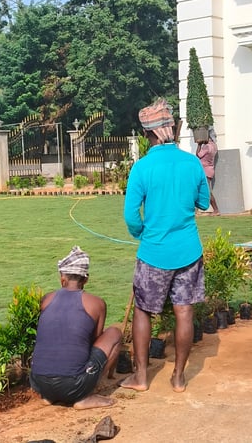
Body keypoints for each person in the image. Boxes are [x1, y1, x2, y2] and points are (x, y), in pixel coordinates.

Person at [121, 98, 210, 393]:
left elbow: (131, 215)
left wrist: (141, 233)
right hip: (188, 251)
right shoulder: (191, 163)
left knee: (143, 312)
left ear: (148, 135)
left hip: (153, 253)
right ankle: (179, 377)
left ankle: (142, 377)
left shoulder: (142, 168)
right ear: (171, 129)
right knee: (184, 313)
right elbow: (203, 202)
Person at [29, 246, 123, 409]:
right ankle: (85, 395)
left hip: (39, 383)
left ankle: (51, 397)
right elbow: (94, 340)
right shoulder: (97, 303)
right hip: (74, 385)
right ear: (86, 279)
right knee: (114, 333)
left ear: (62, 278)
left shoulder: (46, 299)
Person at [196, 126, 220, 215]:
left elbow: (198, 155)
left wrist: (199, 145)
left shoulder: (207, 147)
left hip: (205, 170)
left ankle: (216, 210)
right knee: (202, 189)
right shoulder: (214, 145)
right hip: (210, 169)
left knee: (208, 191)